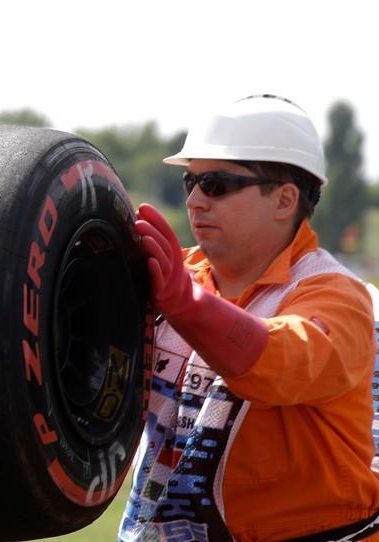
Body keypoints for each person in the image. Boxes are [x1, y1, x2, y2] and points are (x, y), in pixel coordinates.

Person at [118, 94, 379, 541]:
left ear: (284, 200)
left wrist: (184, 303)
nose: (196, 201)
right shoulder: (175, 280)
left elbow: (279, 361)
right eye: (190, 182)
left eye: (217, 184)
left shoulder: (339, 298)